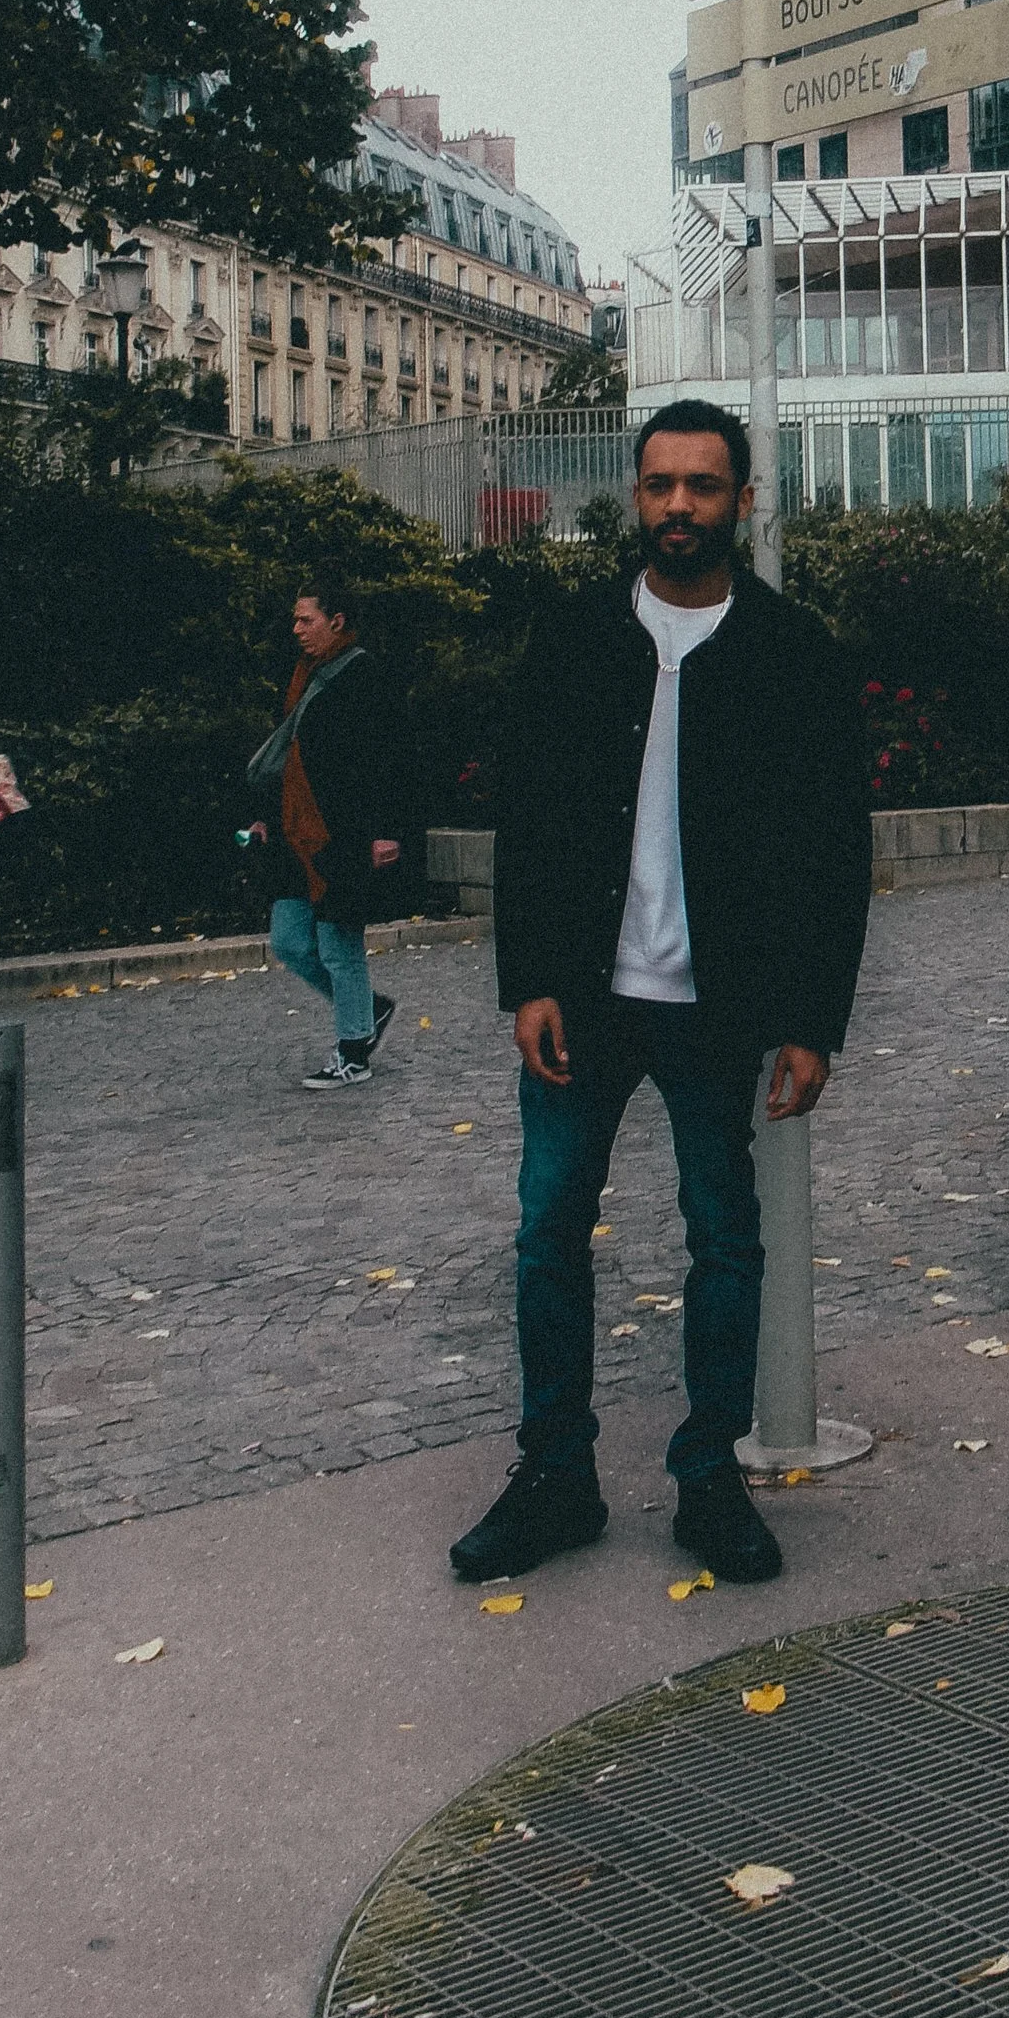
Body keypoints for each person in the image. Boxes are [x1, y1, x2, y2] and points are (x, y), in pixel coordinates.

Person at [450, 399, 872, 1591]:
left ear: (743, 499)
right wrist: (526, 979)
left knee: (724, 1241)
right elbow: (523, 818)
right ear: (633, 497)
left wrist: (809, 1020)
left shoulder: (794, 653)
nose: (677, 506)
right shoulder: (573, 637)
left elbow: (831, 852)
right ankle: (555, 1476)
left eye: (702, 485)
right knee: (546, 1236)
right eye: (658, 485)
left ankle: (707, 1478)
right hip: (584, 998)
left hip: (718, 1003)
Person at [240, 582, 413, 1086]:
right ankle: (369, 1011)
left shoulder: (365, 676)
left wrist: (387, 831)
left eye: (305, 620)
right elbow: (287, 758)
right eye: (295, 620)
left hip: (344, 834)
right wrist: (266, 816)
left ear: (337, 620)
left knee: (339, 947)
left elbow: (390, 761)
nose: (296, 630)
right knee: (291, 941)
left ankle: (353, 1053)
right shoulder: (304, 674)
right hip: (297, 832)